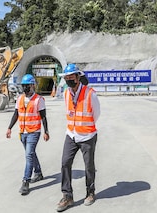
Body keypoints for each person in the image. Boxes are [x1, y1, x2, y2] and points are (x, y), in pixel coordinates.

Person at [56, 64, 100, 212]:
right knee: (65, 163)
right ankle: (67, 196)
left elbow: (96, 114)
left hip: (87, 135)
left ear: (78, 77)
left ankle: (90, 193)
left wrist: (84, 126)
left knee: (89, 166)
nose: (68, 80)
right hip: (71, 134)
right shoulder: (66, 93)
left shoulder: (90, 93)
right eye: (66, 78)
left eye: (71, 77)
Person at [6, 73, 50, 196]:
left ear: (32, 86)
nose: (25, 88)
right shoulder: (19, 99)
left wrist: (46, 131)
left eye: (27, 85)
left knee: (29, 155)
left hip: (34, 132)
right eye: (23, 85)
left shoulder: (38, 100)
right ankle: (38, 173)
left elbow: (44, 117)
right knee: (31, 154)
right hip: (23, 132)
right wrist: (9, 128)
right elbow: (16, 114)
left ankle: (26, 181)